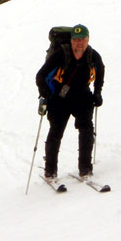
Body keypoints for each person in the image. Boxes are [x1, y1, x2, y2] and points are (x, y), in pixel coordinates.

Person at [35, 24, 105, 181]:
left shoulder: (92, 55)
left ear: (88, 40)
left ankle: (85, 169)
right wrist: (46, 95)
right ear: (71, 41)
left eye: (82, 40)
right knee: (56, 132)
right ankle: (50, 171)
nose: (79, 43)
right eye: (76, 40)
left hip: (82, 96)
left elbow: (100, 70)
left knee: (86, 129)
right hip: (60, 98)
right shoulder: (61, 54)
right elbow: (40, 76)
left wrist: (98, 92)